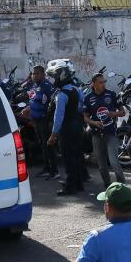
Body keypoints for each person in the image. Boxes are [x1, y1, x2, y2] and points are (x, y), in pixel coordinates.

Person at [47, 60, 84, 195]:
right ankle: (78, 183)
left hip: (67, 129)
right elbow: (81, 106)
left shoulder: (61, 95)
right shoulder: (76, 89)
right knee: (77, 155)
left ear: (61, 77)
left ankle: (70, 186)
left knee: (68, 157)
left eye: (55, 77)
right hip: (77, 126)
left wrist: (53, 134)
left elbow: (58, 117)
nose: (54, 80)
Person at [83, 73, 126, 188]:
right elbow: (85, 117)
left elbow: (123, 112)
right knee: (101, 165)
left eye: (104, 82)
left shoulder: (111, 94)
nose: (103, 84)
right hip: (96, 135)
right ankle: (108, 186)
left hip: (111, 134)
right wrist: (93, 123)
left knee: (114, 162)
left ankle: (122, 186)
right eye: (101, 82)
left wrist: (114, 113)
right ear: (94, 83)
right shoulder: (88, 98)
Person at [23, 65, 58, 179]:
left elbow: (53, 103)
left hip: (44, 120)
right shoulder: (34, 86)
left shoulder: (47, 86)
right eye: (33, 74)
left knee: (48, 145)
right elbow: (33, 100)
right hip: (36, 120)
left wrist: (48, 118)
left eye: (37, 73)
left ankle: (54, 171)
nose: (34, 76)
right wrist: (28, 108)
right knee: (42, 144)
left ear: (43, 74)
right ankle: (47, 168)